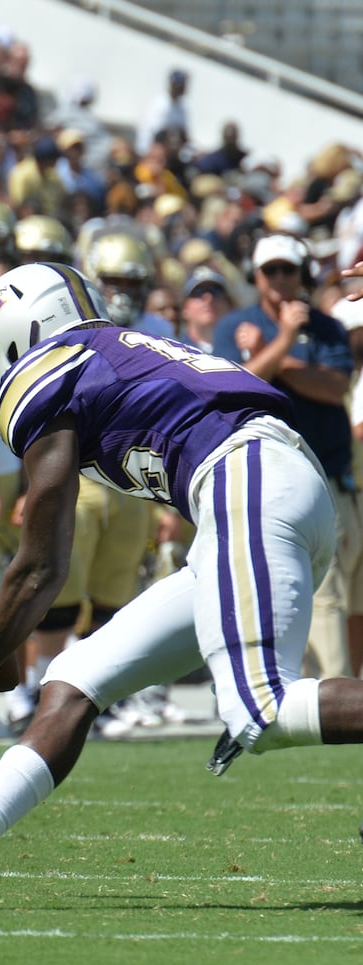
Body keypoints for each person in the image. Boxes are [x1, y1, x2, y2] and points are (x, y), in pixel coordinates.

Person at [0, 261, 363, 907]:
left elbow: (39, 568)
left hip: (247, 482)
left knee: (259, 711)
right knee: (76, 676)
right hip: (266, 486)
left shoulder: (49, 369)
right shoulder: (108, 350)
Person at [213, 235, 353, 687]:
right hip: (270, 476)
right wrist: (289, 338)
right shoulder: (234, 324)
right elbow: (239, 386)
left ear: (302, 274)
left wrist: (274, 354)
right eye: (270, 271)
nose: (279, 280)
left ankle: (336, 687)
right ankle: (336, 692)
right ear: (256, 276)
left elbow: (333, 387)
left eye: (287, 270)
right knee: (324, 588)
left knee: (350, 590)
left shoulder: (328, 326)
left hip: (331, 473)